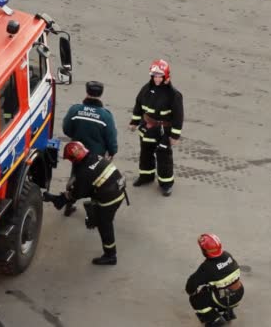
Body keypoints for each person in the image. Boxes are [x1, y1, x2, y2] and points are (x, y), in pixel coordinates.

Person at [43, 142, 126, 265]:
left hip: (110, 198)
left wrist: (60, 198)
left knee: (105, 226)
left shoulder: (84, 172)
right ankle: (95, 219)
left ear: (73, 159)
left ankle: (110, 255)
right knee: (97, 211)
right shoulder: (95, 156)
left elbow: (77, 194)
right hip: (119, 188)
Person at [61, 81, 118, 216]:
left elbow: (66, 129)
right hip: (96, 156)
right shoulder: (105, 115)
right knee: (96, 182)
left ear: (87, 92)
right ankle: (92, 214)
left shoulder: (75, 110)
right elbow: (111, 136)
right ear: (101, 94)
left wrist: (76, 138)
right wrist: (112, 151)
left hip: (77, 154)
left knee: (75, 178)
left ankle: (69, 206)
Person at [129, 59, 184, 196]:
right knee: (145, 154)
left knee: (164, 157)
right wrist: (134, 122)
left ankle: (166, 183)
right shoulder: (146, 90)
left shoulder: (174, 95)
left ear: (166, 76)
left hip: (163, 131)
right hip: (147, 128)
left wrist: (174, 136)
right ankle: (146, 177)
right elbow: (138, 106)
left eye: (159, 76)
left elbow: (178, 116)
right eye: (154, 76)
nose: (157, 78)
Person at [185, 234, 244, 326]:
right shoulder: (227, 255)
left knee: (196, 299)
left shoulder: (207, 267)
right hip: (239, 292)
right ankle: (228, 312)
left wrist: (191, 292)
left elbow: (191, 284)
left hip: (224, 299)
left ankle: (214, 320)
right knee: (213, 288)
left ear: (204, 251)